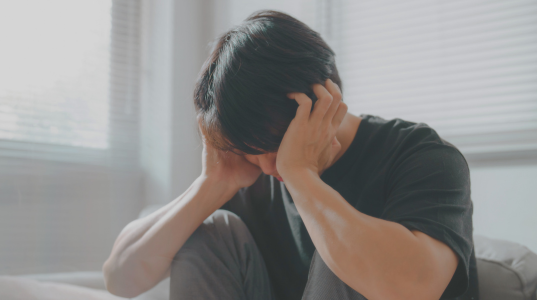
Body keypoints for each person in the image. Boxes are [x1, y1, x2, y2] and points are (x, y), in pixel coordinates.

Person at [103, 10, 478, 300]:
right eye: (253, 153)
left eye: (276, 146)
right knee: (211, 231)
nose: (268, 166)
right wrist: (212, 184)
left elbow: (414, 286)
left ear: (325, 100)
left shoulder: (422, 156)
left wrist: (301, 175)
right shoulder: (248, 169)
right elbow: (120, 278)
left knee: (349, 251)